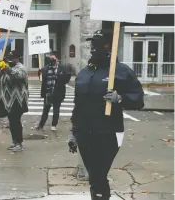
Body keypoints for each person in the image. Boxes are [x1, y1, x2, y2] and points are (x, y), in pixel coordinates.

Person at [67, 29, 144, 200]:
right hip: (84, 132)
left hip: (109, 132)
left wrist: (120, 98)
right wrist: (73, 132)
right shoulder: (84, 73)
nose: (93, 48)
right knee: (94, 176)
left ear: (110, 46)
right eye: (92, 44)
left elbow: (138, 99)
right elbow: (78, 105)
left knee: (99, 174)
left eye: (99, 44)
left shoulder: (121, 71)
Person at [0, 50, 29, 152]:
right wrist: (1, 69)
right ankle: (15, 142)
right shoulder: (5, 68)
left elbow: (17, 76)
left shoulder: (21, 68)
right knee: (12, 122)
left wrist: (6, 68)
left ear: (17, 58)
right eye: (9, 58)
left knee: (15, 121)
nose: (10, 60)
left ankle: (19, 143)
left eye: (12, 58)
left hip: (17, 100)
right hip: (7, 101)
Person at [37, 52, 71, 131]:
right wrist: (40, 73)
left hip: (58, 93)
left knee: (56, 110)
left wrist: (67, 74)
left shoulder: (61, 68)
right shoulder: (45, 69)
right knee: (45, 110)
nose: (53, 61)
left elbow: (65, 80)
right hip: (48, 93)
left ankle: (54, 125)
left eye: (54, 59)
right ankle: (41, 125)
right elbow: (42, 80)